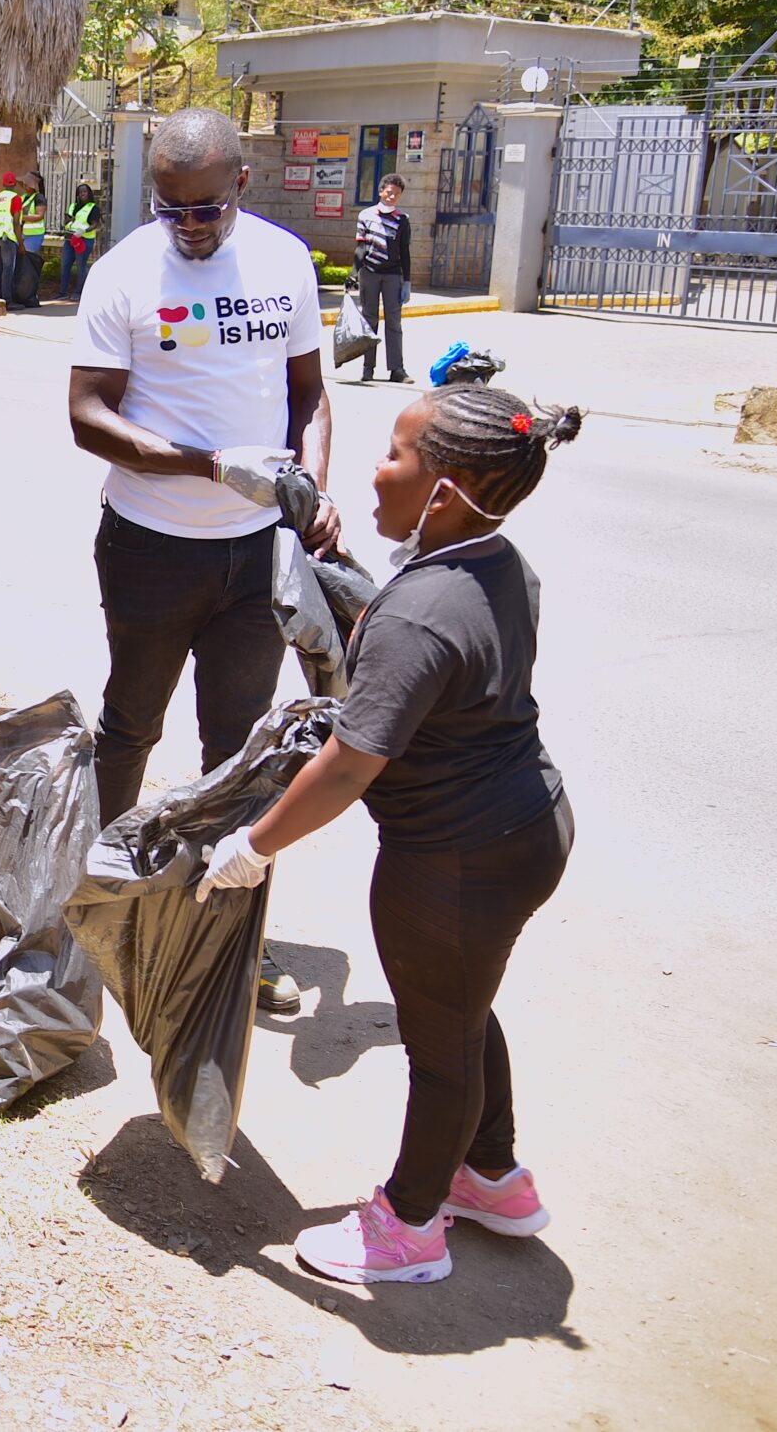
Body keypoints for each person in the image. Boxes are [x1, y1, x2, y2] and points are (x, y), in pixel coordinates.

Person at [195, 385, 582, 1286]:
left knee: (439, 1045)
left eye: (396, 455)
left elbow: (346, 762)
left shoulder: (417, 614)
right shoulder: (497, 562)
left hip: (454, 860)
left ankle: (409, 1227)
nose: (375, 467)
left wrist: (254, 845)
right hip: (527, 823)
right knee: (461, 1007)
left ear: (442, 493)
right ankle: (493, 1176)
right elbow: (416, 633)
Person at [67, 106, 338, 1015]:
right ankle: (105, 906)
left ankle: (231, 934)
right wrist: (211, 464)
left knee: (242, 745)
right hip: (150, 545)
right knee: (130, 728)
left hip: (256, 554)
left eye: (204, 209)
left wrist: (310, 493)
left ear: (240, 189)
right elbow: (87, 416)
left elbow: (310, 397)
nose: (186, 226)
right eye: (169, 208)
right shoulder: (122, 273)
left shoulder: (285, 261)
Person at [352, 175, 414, 384]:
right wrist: (353, 274)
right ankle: (368, 368)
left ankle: (397, 369)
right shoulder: (366, 215)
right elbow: (361, 247)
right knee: (369, 320)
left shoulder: (402, 220)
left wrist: (407, 281)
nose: (392, 197)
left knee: (394, 322)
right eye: (389, 192)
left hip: (393, 276)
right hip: (369, 273)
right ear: (380, 191)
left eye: (396, 194)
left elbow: (404, 252)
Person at [62, 181, 101, 304]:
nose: (82, 194)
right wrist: (67, 220)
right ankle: (62, 292)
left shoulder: (93, 208)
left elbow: (95, 224)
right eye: (80, 192)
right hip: (70, 238)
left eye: (84, 191)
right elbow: (68, 220)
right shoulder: (73, 206)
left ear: (89, 193)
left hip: (83, 239)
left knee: (81, 265)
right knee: (65, 264)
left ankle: (79, 292)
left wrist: (83, 230)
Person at [14, 172, 50, 309]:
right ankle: (23, 292)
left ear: (33, 185)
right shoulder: (24, 197)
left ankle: (30, 294)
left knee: (29, 266)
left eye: (26, 183)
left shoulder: (39, 198)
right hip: (22, 235)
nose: (23, 185)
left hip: (34, 235)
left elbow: (39, 216)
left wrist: (21, 217)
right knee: (22, 265)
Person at [0, 173, 21, 302]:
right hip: (8, 238)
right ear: (15, 184)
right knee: (8, 269)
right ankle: (8, 300)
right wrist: (21, 243)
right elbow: (16, 222)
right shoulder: (15, 198)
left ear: (3, 184)